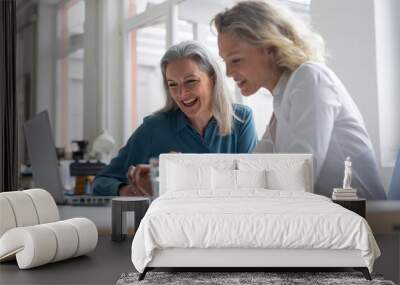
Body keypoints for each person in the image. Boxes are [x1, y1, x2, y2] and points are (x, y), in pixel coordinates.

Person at [213, 0, 386, 199]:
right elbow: (253, 169)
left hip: (362, 221)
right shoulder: (282, 98)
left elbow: (298, 179)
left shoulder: (310, 78)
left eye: (235, 60)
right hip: (329, 217)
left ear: (269, 47)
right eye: (225, 61)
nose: (228, 72)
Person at [93, 40, 258, 196]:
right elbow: (102, 181)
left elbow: (251, 184)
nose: (182, 94)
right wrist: (127, 190)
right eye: (173, 84)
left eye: (191, 81)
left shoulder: (241, 120)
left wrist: (178, 173)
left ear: (212, 80)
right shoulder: (154, 128)